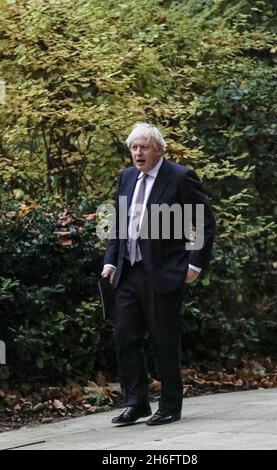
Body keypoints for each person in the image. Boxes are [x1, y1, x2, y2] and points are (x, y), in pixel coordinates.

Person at [101, 123, 215, 425]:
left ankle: (170, 405)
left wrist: (195, 263)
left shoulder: (179, 177)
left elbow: (205, 219)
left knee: (164, 340)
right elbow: (118, 222)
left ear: (159, 150)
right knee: (125, 336)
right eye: (134, 148)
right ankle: (136, 402)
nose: (138, 153)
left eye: (144, 147)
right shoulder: (126, 177)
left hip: (164, 272)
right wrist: (111, 260)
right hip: (128, 272)